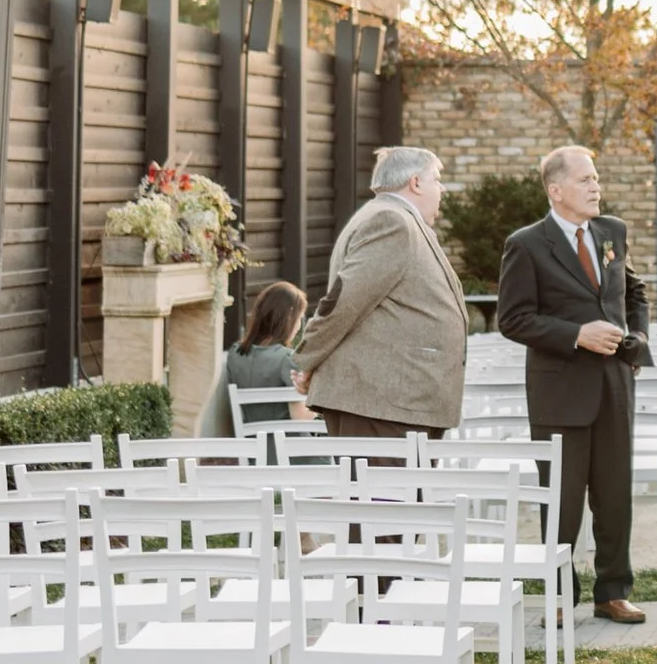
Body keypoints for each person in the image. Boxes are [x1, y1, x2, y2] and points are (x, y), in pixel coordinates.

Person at [497, 145, 653, 627]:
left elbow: (633, 291)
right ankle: (560, 597)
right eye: (585, 180)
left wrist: (637, 341)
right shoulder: (525, 244)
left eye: (596, 178)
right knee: (562, 500)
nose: (595, 186)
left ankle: (613, 591)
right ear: (556, 189)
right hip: (560, 392)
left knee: (615, 494)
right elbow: (513, 319)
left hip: (613, 386)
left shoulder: (612, 233)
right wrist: (576, 335)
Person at [299, 145, 469, 443]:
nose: (442, 189)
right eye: (436, 180)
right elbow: (344, 302)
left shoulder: (395, 218)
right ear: (415, 182)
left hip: (396, 404)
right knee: (383, 492)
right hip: (382, 404)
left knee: (400, 491)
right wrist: (306, 361)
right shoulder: (391, 222)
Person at [197, 279, 312, 437]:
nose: (299, 326)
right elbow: (301, 418)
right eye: (300, 318)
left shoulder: (235, 355)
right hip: (294, 457)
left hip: (254, 455)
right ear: (289, 315)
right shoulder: (287, 359)